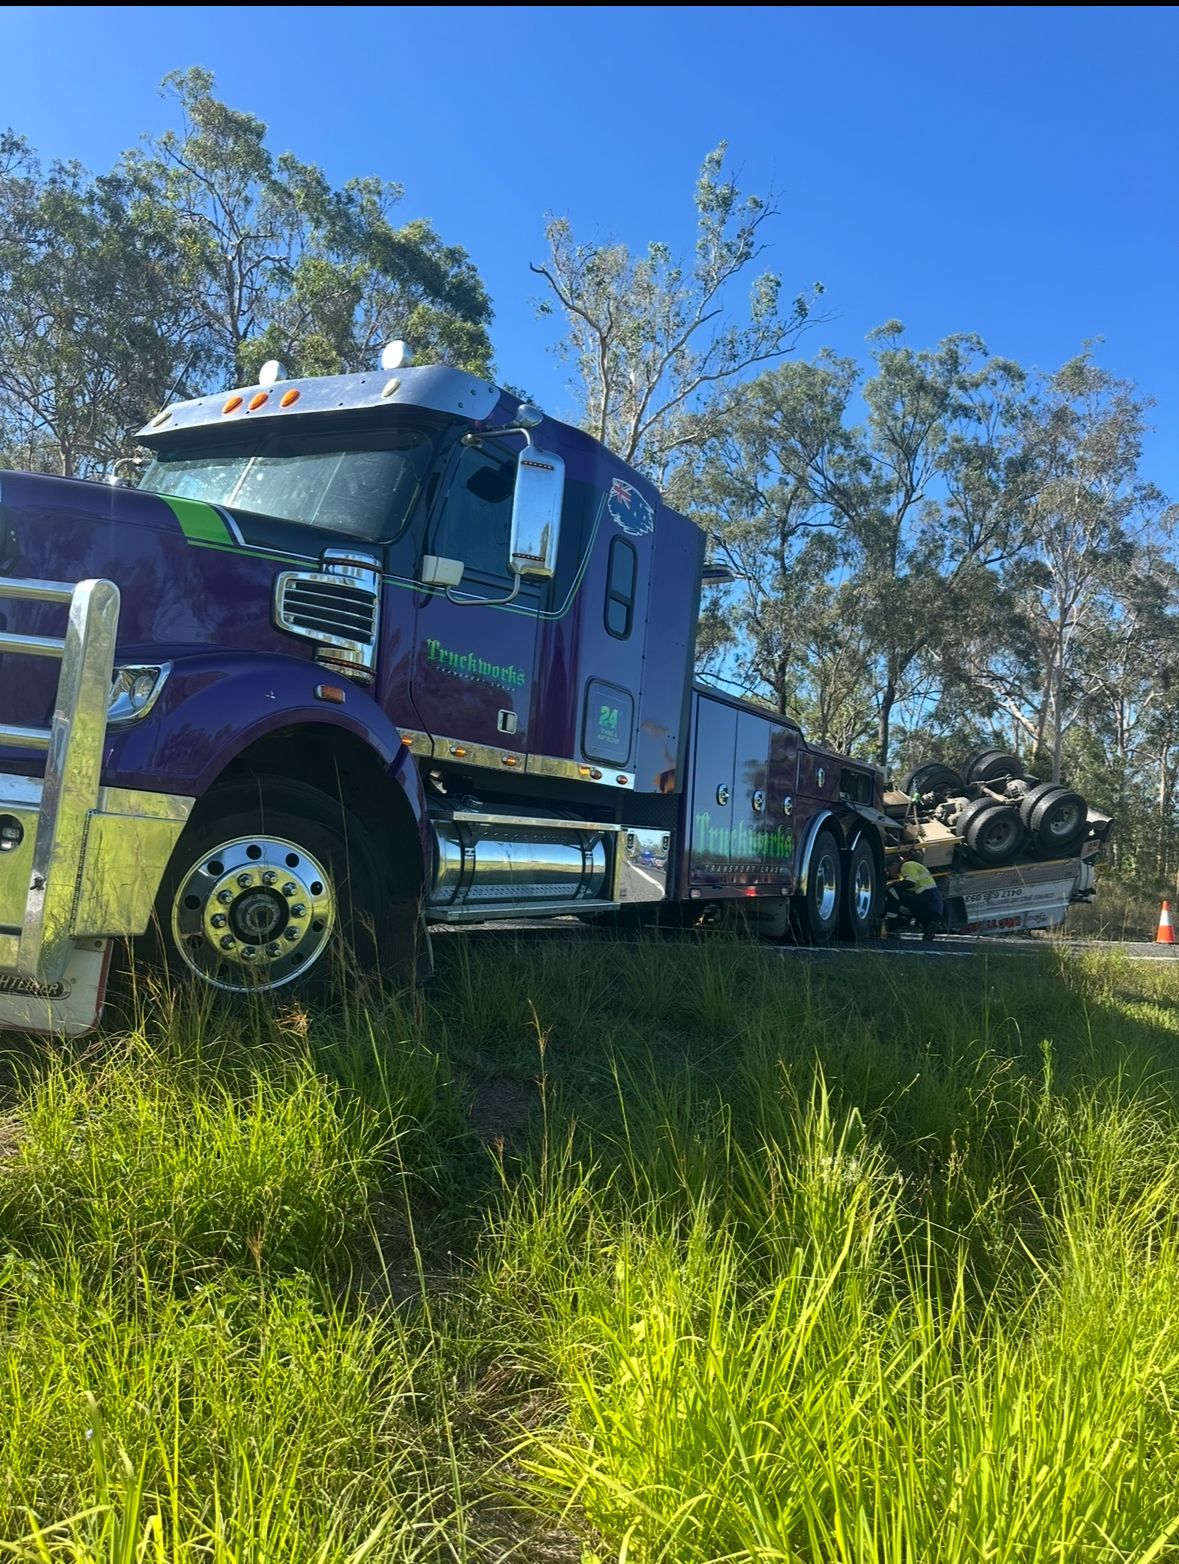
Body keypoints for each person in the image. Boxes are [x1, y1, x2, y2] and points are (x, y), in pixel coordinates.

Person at [887, 850, 944, 943]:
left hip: (928, 897)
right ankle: (928, 926)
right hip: (931, 900)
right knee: (898, 893)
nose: (889, 873)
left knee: (893, 891)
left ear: (895, 864)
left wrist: (891, 885)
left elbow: (910, 883)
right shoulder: (906, 871)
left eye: (889, 869)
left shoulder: (907, 865)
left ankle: (892, 928)